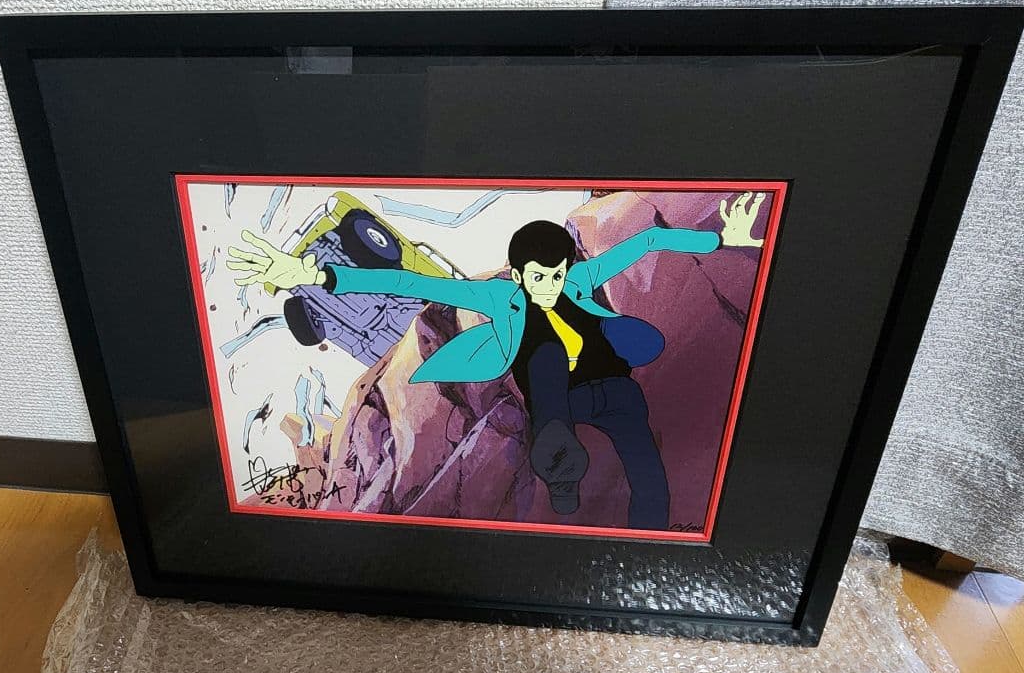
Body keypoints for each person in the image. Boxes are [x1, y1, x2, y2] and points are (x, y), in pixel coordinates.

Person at [228, 192, 765, 529]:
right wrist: (314, 276)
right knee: (546, 361)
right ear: (521, 273)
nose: (548, 286)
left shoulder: (580, 278)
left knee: (645, 466)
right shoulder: (497, 297)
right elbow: (409, 283)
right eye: (537, 278)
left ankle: (643, 531)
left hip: (613, 389)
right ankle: (560, 469)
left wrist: (724, 238)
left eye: (556, 276)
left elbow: (645, 241)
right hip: (559, 400)